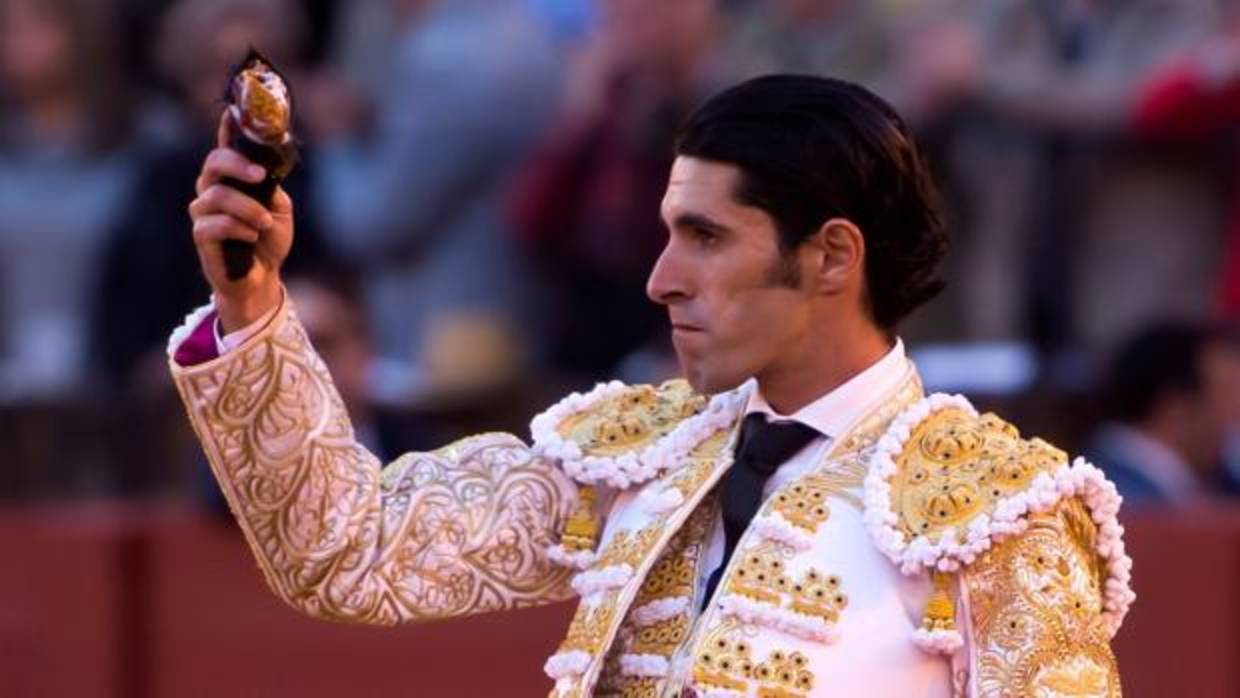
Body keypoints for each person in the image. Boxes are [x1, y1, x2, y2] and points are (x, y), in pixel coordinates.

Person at [171, 75, 1133, 697]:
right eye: (670, 232)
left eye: (707, 238)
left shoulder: (1000, 518)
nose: (661, 278)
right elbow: (350, 550)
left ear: (833, 255)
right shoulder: (635, 456)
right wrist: (253, 304)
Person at [1086, 322, 1240, 505]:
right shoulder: (1110, 505)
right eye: (1229, 393)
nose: (1236, 412)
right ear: (1175, 407)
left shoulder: (1215, 485)